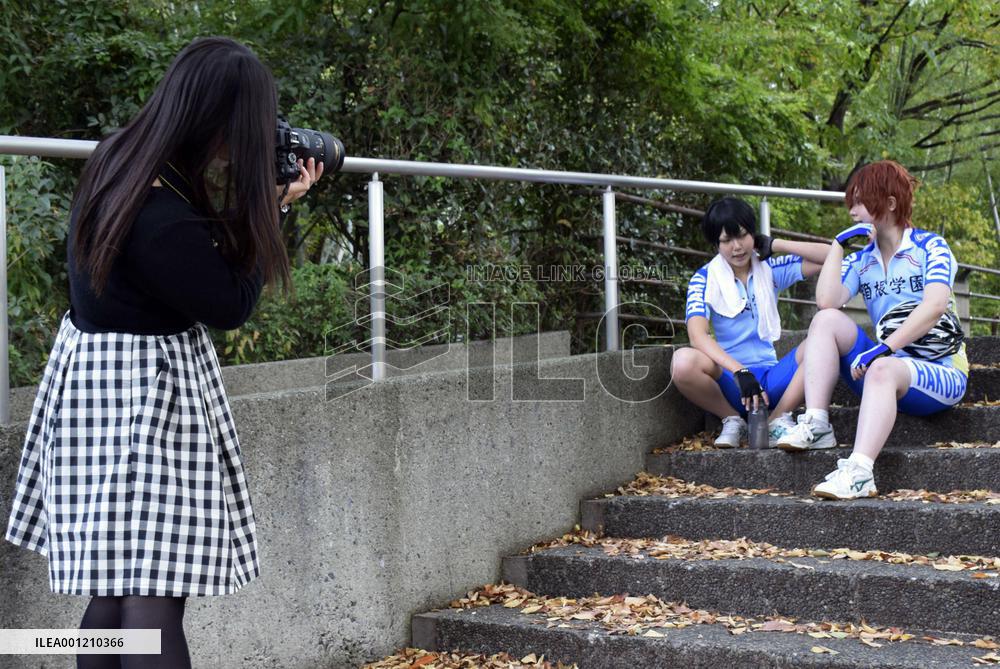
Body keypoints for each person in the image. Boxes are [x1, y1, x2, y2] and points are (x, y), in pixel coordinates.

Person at [4, 37, 322, 668]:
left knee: (112, 594)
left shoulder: (119, 160)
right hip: (145, 401)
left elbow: (191, 263)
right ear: (222, 119)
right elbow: (228, 304)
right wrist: (275, 210)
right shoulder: (159, 215)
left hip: (92, 389)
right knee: (151, 603)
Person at [776, 160, 968, 500]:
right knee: (826, 322)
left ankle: (860, 471)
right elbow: (827, 301)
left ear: (890, 204)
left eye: (861, 202)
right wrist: (837, 246)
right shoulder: (862, 259)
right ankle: (817, 422)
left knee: (880, 367)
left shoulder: (930, 246)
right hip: (885, 369)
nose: (853, 211)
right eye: (852, 202)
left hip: (940, 371)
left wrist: (886, 347)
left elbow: (935, 305)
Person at [671, 197, 831, 447]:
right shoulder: (704, 279)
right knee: (682, 361)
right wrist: (739, 371)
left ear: (753, 236)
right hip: (731, 382)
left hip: (772, 380)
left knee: (821, 344)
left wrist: (776, 243)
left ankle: (778, 419)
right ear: (716, 243)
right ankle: (732, 420)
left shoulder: (769, 269)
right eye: (726, 240)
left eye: (743, 235)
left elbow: (833, 255)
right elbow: (697, 336)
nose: (737, 247)